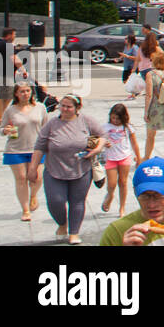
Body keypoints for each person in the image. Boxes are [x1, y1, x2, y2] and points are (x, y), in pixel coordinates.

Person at [28, 94, 106, 244]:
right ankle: (62, 223)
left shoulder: (86, 121)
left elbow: (102, 135)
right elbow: (39, 147)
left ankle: (74, 232)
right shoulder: (51, 124)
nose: (64, 109)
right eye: (62, 106)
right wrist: (33, 167)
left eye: (69, 107)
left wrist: (98, 148)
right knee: (55, 201)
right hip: (54, 170)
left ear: (77, 108)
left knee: (77, 201)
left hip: (81, 169)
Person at [0, 82, 45, 221]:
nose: (25, 94)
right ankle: (25, 210)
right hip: (15, 149)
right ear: (16, 94)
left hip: (36, 149)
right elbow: (2, 128)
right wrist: (5, 130)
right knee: (21, 179)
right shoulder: (11, 110)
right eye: (22, 91)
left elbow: (47, 127)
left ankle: (33, 195)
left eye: (27, 91)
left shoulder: (40, 107)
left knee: (36, 178)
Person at [100, 103, 141, 218]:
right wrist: (104, 143)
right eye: (113, 118)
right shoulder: (105, 127)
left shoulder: (127, 127)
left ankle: (122, 207)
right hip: (110, 158)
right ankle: (110, 195)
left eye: (118, 118)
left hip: (124, 156)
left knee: (123, 183)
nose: (115, 121)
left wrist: (138, 157)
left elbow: (134, 143)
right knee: (112, 184)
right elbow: (98, 139)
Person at [0, 27, 25, 124]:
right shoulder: (7, 45)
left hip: (2, 72)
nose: (15, 36)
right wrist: (23, 70)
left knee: (7, 95)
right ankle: (0, 117)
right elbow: (14, 59)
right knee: (3, 95)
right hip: (4, 73)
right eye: (14, 34)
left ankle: (1, 114)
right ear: (9, 35)